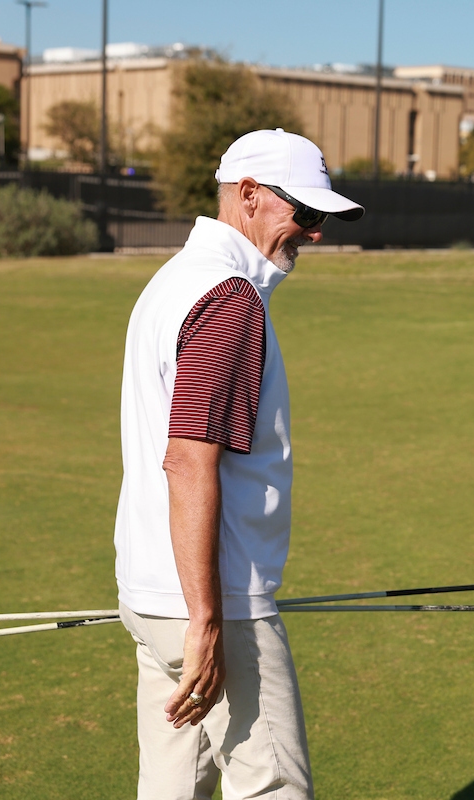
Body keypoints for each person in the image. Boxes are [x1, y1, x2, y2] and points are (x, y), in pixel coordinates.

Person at [115, 128, 364, 799]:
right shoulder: (228, 299)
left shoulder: (175, 278)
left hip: (152, 596)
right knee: (275, 788)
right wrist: (207, 621)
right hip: (213, 602)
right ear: (248, 195)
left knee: (170, 788)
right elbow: (188, 462)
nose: (314, 233)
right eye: (304, 213)